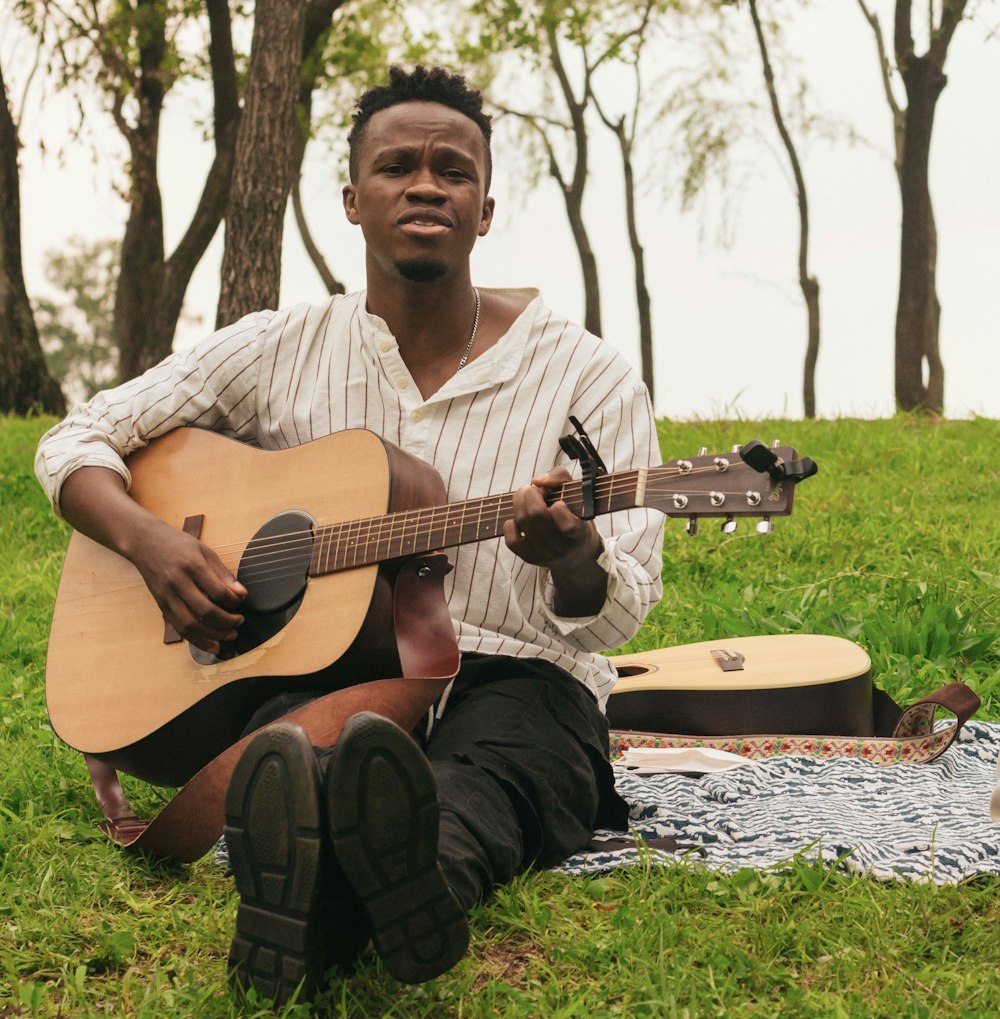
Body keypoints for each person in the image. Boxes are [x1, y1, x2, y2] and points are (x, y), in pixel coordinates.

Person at [35, 65, 665, 1004]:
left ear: (483, 211)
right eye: (396, 166)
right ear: (352, 201)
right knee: (298, 751)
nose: (424, 184)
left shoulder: (587, 375)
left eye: (452, 170)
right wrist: (152, 544)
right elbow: (76, 438)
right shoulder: (278, 344)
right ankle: (344, 872)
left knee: (495, 780)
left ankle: (338, 903)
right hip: (329, 674)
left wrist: (573, 555)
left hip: (518, 677)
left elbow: (619, 610)